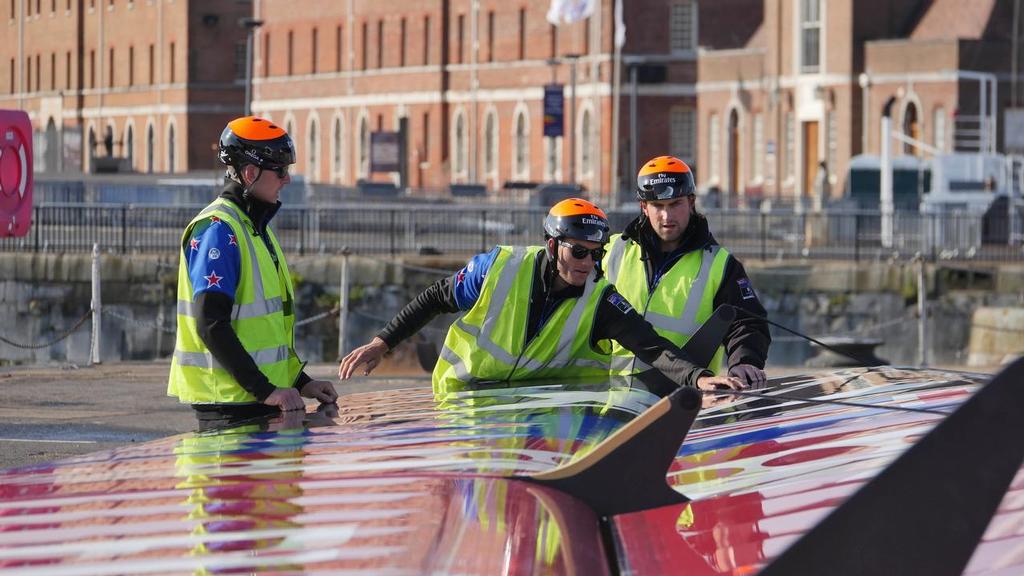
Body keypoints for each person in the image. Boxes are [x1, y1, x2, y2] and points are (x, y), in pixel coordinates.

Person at [338, 197, 746, 397]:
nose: (589, 263)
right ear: (552, 247)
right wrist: (382, 343)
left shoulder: (600, 296)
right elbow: (434, 297)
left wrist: (700, 378)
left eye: (598, 253)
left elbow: (651, 344)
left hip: (545, 404)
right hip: (468, 396)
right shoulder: (497, 269)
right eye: (579, 252)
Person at [167, 116, 337, 425]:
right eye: (281, 171)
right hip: (230, 407)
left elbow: (265, 331)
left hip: (256, 401)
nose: (287, 179)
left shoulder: (255, 228)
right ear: (250, 173)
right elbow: (211, 324)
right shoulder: (218, 229)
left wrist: (301, 382)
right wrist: (266, 390)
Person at [603, 155, 771, 387]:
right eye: (658, 206)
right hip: (613, 400)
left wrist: (744, 361)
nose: (666, 216)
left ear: (691, 203)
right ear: (644, 207)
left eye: (675, 204)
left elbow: (747, 322)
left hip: (686, 399)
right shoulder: (612, 251)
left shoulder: (720, 264)